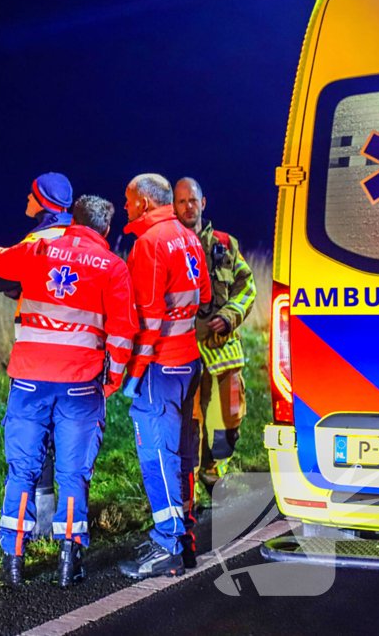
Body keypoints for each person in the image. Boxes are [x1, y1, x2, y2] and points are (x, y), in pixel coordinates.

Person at [0, 195, 137, 587]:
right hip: (81, 385)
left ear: (73, 220)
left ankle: (13, 562)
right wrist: (113, 379)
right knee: (73, 473)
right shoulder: (112, 266)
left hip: (29, 382)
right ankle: (69, 562)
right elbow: (123, 334)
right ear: (105, 229)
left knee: (22, 469)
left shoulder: (39, 248)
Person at [117, 174, 211, 579]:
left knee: (156, 452)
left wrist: (133, 373)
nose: (124, 207)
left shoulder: (149, 243)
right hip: (189, 359)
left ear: (143, 202)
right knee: (180, 452)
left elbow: (148, 317)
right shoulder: (187, 235)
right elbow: (204, 295)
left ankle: (167, 542)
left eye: (127, 200)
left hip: (161, 364)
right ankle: (183, 540)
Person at [0, 172, 75, 540]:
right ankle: (65, 526)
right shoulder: (78, 238)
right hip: (76, 360)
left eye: (32, 193)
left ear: (44, 202)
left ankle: (32, 525)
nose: (26, 196)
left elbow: (0, 274)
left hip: (36, 360)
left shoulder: (36, 240)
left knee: (31, 443)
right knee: (68, 443)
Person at [174, 177, 256, 489]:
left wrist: (229, 315)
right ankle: (190, 485)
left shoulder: (226, 244)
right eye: (181, 202)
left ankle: (215, 469)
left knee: (230, 417)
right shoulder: (169, 245)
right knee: (191, 422)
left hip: (223, 349)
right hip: (187, 351)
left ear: (203, 203)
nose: (188, 207)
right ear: (174, 206)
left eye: (192, 200)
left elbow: (247, 287)